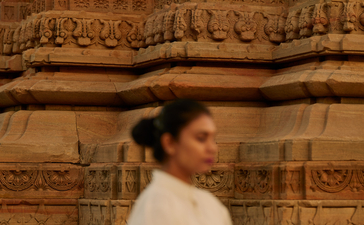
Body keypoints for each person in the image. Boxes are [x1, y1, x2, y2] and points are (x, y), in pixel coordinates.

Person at [127, 99, 232, 225]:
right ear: (169, 143)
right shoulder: (156, 207)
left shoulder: (210, 203)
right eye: (201, 138)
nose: (213, 148)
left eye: (213, 138)